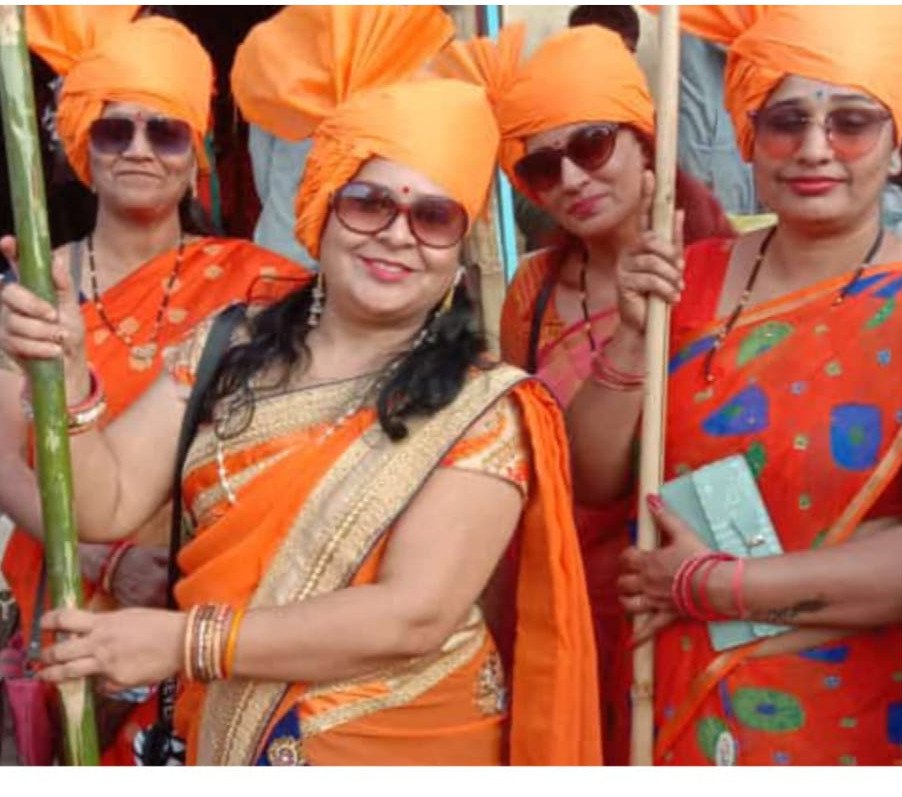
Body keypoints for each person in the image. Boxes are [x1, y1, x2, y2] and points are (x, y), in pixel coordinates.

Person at [0, 6, 601, 766]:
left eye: (433, 216)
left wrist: (185, 642)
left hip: (403, 743)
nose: (396, 234)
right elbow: (105, 500)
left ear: (458, 250)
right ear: (322, 212)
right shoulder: (228, 343)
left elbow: (410, 616)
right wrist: (71, 379)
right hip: (226, 734)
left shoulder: (485, 407)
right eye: (370, 202)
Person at [566, 5, 902, 765]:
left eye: (852, 123)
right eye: (785, 122)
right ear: (750, 141)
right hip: (669, 700)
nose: (814, 149)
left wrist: (716, 588)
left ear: (895, 147)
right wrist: (630, 338)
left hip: (847, 721)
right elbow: (595, 478)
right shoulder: (688, 273)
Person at [0, 7, 304, 764]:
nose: (139, 149)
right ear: (82, 146)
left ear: (195, 153)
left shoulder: (261, 287)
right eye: (115, 130)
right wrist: (102, 560)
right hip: (74, 603)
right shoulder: (34, 289)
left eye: (165, 132)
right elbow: (6, 458)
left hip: (216, 606)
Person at [437, 22, 733, 764]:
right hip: (574, 606)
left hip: (698, 603)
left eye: (593, 145)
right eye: (543, 166)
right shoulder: (533, 289)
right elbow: (527, 469)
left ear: (646, 141)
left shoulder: (730, 270)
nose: (571, 179)